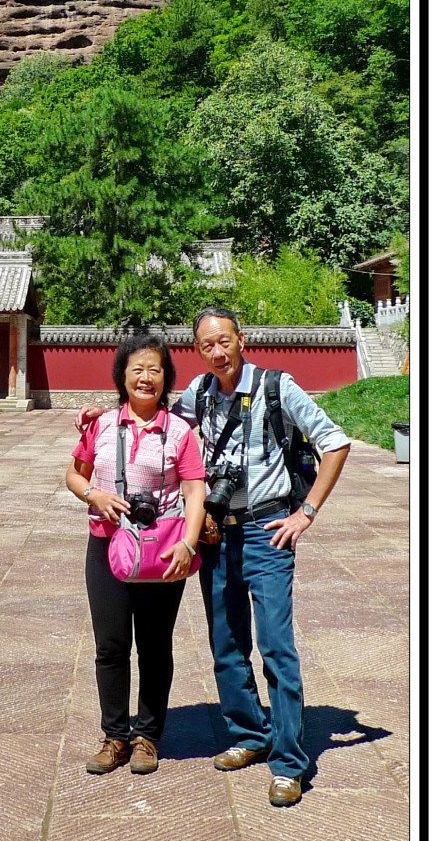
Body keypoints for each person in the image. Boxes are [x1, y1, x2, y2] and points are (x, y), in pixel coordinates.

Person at [77, 307, 350, 807]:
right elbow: (150, 413)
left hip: (268, 530)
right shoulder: (199, 393)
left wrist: (306, 512)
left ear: (241, 339)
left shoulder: (276, 386)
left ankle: (288, 763)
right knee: (226, 643)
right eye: (207, 345)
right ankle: (249, 735)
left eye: (224, 340)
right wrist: (103, 413)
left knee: (276, 647)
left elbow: (335, 442)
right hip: (217, 534)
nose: (217, 351)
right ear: (197, 351)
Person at [67, 331, 206, 779]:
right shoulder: (102, 425)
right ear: (122, 376)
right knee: (110, 645)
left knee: (154, 645)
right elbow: (74, 474)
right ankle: (115, 736)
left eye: (155, 370)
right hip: (106, 545)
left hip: (162, 550)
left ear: (166, 379)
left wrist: (189, 542)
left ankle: (147, 735)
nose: (146, 378)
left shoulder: (179, 431)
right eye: (137, 369)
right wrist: (94, 495)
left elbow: (194, 490)